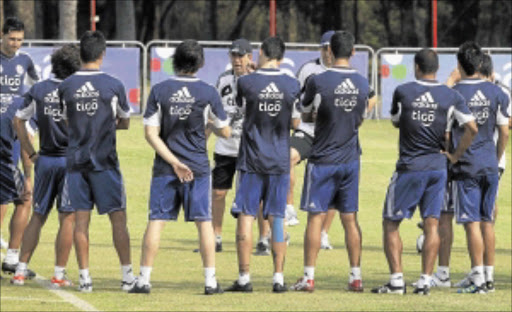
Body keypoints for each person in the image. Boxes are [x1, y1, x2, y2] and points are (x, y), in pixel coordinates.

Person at [371, 48, 477, 295]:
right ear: (437, 69)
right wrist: (455, 155)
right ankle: (424, 282)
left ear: (416, 67)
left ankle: (397, 282)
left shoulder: (403, 91)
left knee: (390, 223)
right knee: (432, 225)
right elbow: (472, 127)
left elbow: (396, 121)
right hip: (438, 169)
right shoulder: (450, 96)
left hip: (410, 167)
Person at [129, 40, 230, 295]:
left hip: (165, 167)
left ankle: (144, 280)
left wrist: (174, 162)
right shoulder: (208, 92)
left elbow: (151, 134)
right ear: (201, 63)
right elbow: (226, 132)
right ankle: (210, 282)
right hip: (197, 167)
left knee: (156, 220)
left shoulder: (160, 90)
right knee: (204, 222)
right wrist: (209, 124)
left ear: (175, 61)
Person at [290, 30, 372, 293]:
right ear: (354, 52)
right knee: (350, 218)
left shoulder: (318, 80)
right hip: (351, 159)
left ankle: (309, 278)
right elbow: (364, 109)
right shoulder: (361, 82)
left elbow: (304, 114)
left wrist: (320, 116)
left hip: (323, 158)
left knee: (315, 218)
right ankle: (356, 277)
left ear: (330, 51)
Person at [58, 30, 135, 293]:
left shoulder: (65, 86)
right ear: (103, 54)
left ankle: (84, 279)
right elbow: (125, 120)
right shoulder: (113, 84)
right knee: (118, 220)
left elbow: (66, 121)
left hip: (76, 163)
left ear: (81, 53)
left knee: (81, 222)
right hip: (105, 163)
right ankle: (126, 277)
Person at [226, 36, 301, 293]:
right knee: (277, 218)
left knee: (246, 215)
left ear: (260, 53)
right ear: (281, 57)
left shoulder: (246, 81)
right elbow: (296, 124)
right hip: (279, 159)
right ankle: (278, 278)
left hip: (251, 159)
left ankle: (245, 277)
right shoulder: (292, 84)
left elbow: (238, 108)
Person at [10, 44, 81, 287]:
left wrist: (30, 153)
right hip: (70, 162)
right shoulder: (77, 90)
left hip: (45, 160)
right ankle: (59, 276)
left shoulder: (39, 90)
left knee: (38, 215)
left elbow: (18, 121)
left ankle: (20, 271)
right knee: (68, 218)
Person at [449, 42, 509, 294]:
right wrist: (496, 157)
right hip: (489, 164)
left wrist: (453, 156)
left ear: (460, 65)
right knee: (487, 222)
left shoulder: (454, 93)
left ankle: (477, 278)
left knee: (471, 222)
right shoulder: (497, 92)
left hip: (467, 165)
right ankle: (489, 277)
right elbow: (504, 130)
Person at [0, 16, 39, 277]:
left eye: (19, 40)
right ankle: (12, 259)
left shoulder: (25, 62)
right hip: (5, 138)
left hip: (13, 136)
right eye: (11, 39)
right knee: (21, 197)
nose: (15, 44)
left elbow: (36, 91)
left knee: (11, 197)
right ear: (2, 36)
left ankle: (12, 257)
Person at [209, 38, 254, 253]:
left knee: (255, 196)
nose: (237, 60)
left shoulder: (257, 80)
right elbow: (214, 112)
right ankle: (216, 237)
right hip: (225, 147)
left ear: (250, 57)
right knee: (218, 193)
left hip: (251, 149)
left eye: (241, 55)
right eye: (234, 55)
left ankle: (263, 238)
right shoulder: (223, 80)